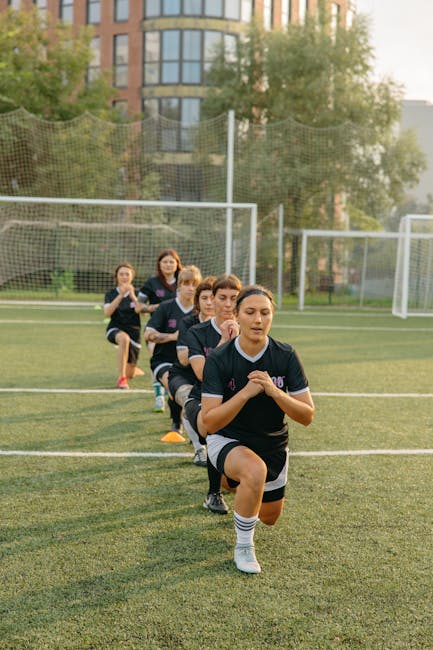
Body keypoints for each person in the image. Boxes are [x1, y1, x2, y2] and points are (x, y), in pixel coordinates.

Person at [201, 285, 315, 574]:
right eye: (250, 312)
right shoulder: (220, 358)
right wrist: (245, 393)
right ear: (237, 315)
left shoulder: (286, 355)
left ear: (272, 316)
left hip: (273, 443)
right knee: (254, 471)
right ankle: (243, 546)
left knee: (270, 517)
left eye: (265, 313)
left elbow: (307, 416)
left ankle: (232, 481)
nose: (258, 319)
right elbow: (209, 422)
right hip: (228, 438)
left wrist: (275, 392)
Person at [184, 274, 242, 514]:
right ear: (212, 301)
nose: (228, 304)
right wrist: (223, 340)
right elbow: (202, 374)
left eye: (234, 298)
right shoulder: (196, 332)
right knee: (213, 425)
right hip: (200, 400)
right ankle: (213, 493)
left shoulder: (251, 329)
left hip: (235, 399)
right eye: (222, 298)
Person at [144, 265, 202, 434]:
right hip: (164, 361)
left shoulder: (201, 311)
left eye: (195, 284)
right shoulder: (166, 307)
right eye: (187, 283)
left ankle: (193, 427)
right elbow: (148, 334)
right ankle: (176, 423)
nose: (191, 288)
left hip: (192, 363)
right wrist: (173, 337)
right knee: (174, 388)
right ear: (179, 285)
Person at [167, 276, 215, 466]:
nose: (209, 302)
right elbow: (183, 359)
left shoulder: (227, 324)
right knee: (191, 404)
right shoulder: (188, 323)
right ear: (197, 301)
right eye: (204, 298)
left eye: (213, 297)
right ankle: (199, 450)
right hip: (183, 376)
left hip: (211, 378)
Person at [136, 248, 183, 412]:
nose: (169, 265)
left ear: (177, 264)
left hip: (183, 332)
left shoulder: (184, 282)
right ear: (159, 264)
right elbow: (138, 307)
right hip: (157, 332)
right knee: (157, 360)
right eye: (165, 262)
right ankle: (158, 396)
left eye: (172, 261)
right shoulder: (152, 283)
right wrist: (159, 306)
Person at [104, 262, 144, 390]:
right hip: (115, 329)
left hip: (134, 333)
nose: (124, 276)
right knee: (123, 338)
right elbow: (107, 313)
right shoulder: (110, 294)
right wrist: (121, 295)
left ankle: (131, 370)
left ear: (132, 276)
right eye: (121, 274)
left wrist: (132, 296)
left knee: (130, 374)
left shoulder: (138, 294)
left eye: (127, 274)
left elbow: (142, 313)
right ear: (117, 276)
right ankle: (122, 378)